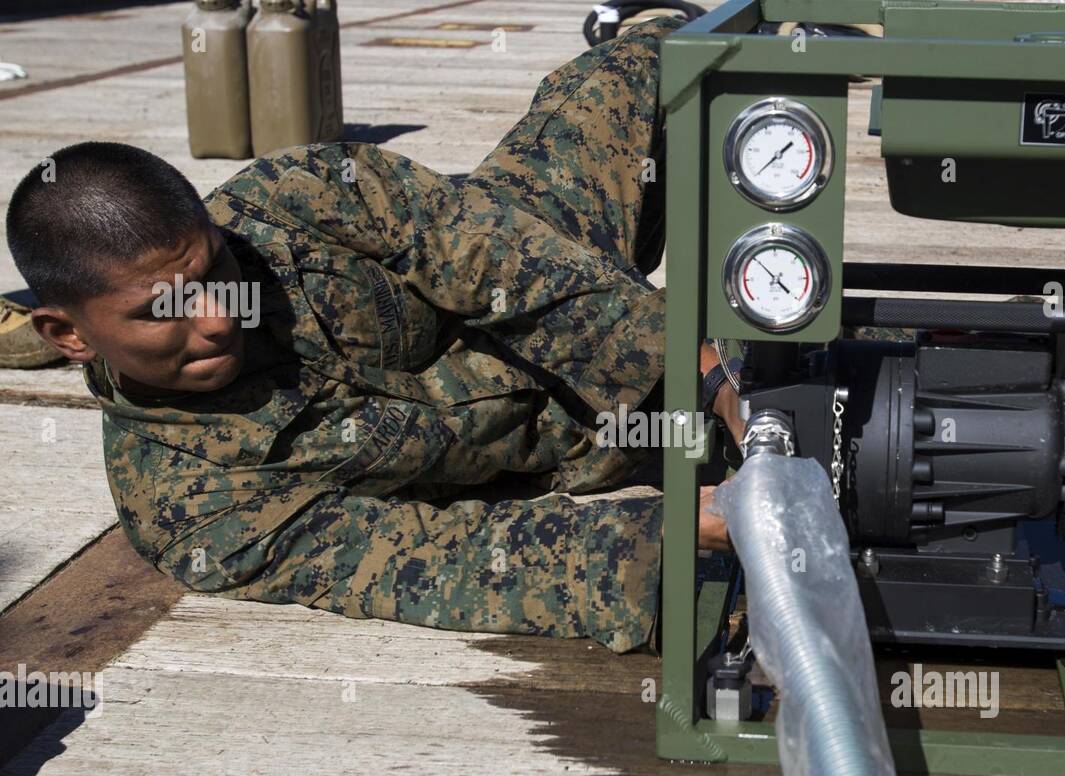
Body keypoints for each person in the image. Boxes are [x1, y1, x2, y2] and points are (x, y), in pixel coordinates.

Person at [5, 16, 736, 653]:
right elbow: (435, 561)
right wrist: (668, 536)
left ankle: (656, 19)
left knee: (647, 66)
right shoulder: (189, 511)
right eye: (165, 309)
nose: (219, 316)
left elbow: (490, 253)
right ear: (66, 334)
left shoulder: (296, 200)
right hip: (582, 434)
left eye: (214, 268)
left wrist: (700, 367)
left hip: (554, 258)